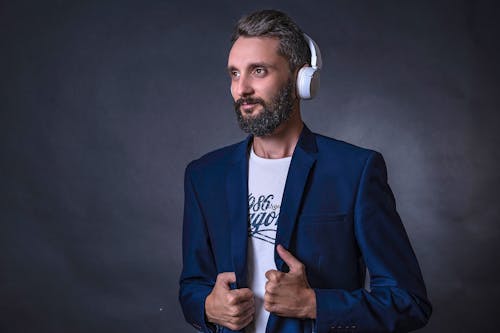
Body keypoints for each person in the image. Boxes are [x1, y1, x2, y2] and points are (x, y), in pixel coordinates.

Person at [179, 9, 432, 333]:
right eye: (234, 73)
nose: (241, 89)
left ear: (301, 78)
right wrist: (207, 307)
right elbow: (192, 287)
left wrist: (313, 304)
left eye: (258, 71)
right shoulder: (204, 176)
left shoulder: (354, 171)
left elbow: (408, 301)